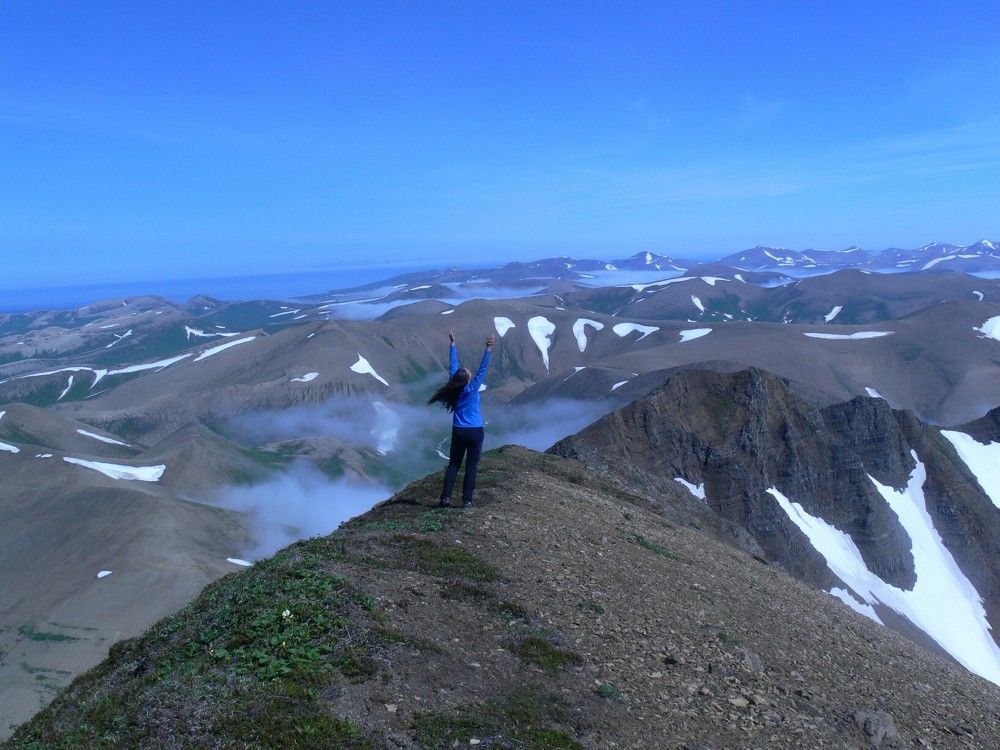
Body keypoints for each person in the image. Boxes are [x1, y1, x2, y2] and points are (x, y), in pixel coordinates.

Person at [427, 329, 494, 508]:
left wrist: (453, 344)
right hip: (475, 431)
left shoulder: (454, 387)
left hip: (458, 430)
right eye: (468, 372)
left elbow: (453, 365)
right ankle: (467, 501)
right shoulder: (473, 388)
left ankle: (446, 498)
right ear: (468, 379)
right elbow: (482, 369)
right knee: (471, 467)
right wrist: (488, 349)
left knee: (454, 464)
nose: (469, 371)